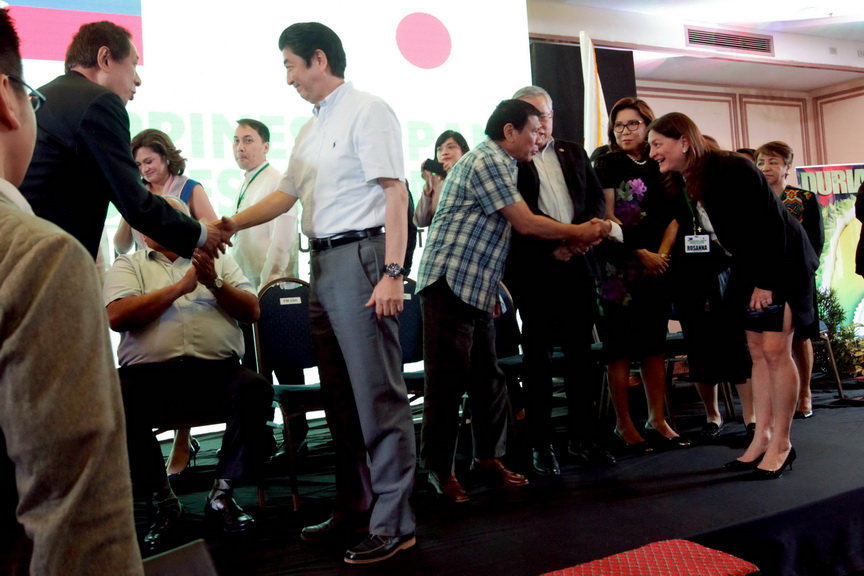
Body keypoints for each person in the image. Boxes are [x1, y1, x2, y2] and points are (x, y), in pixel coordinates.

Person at [216, 22, 416, 564]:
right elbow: (284, 197)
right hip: (321, 265)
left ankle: (395, 522)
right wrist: (227, 224)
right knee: (341, 399)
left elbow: (395, 194)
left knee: (378, 395)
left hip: (362, 257)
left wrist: (394, 271)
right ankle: (356, 506)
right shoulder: (311, 128)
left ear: (318, 60)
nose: (287, 78)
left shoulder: (369, 110)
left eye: (289, 65)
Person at [0, 9, 143, 573]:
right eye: (28, 98)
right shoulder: (42, 257)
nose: (137, 84)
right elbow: (81, 526)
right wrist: (203, 235)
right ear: (5, 101)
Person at [416, 99, 611, 502]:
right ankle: (439, 469)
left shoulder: (505, 164)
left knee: (489, 381)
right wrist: (579, 233)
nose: (539, 141)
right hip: (449, 284)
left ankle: (487, 459)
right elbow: (524, 223)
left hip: (476, 286)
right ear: (510, 131)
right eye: (533, 132)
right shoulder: (487, 160)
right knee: (447, 385)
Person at [647, 112, 818, 479]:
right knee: (756, 353)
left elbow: (770, 225)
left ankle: (782, 444)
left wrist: (766, 282)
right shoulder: (690, 178)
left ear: (684, 142)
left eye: (658, 143)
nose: (653, 152)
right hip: (750, 265)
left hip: (780, 263)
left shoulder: (731, 169)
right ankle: (761, 438)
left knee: (775, 351)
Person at [104, 195, 274, 549]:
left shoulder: (218, 260)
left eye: (174, 221)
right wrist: (179, 289)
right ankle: (165, 502)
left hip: (217, 373)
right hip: (151, 377)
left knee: (255, 388)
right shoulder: (128, 265)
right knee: (115, 397)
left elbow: (252, 311)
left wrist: (213, 282)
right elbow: (117, 316)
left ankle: (222, 494)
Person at [19, 20, 226, 261]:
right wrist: (201, 234)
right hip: (46, 258)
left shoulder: (42, 96)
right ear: (105, 59)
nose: (137, 79)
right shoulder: (99, 102)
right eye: (134, 64)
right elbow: (135, 202)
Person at [504, 85, 614, 475]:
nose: (542, 124)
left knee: (581, 358)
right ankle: (541, 443)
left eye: (547, 115)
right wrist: (561, 244)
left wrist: (580, 240)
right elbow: (517, 221)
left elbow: (596, 201)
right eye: (534, 116)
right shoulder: (512, 158)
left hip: (579, 265)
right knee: (538, 361)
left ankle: (584, 438)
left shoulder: (573, 151)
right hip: (536, 269)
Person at [593, 97, 688, 451]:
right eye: (619, 125)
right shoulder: (606, 162)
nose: (625, 131)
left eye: (633, 124)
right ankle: (624, 424)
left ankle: (657, 419)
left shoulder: (662, 162)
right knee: (618, 349)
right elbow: (607, 218)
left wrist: (661, 255)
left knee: (653, 346)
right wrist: (641, 253)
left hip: (658, 266)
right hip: (617, 267)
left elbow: (677, 216)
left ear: (649, 125)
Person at [755, 141, 823, 419]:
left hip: (798, 278)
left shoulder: (803, 198)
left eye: (772, 162)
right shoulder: (753, 200)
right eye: (760, 162)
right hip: (765, 281)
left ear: (786, 167)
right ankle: (777, 396)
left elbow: (815, 242)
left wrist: (803, 272)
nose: (766, 168)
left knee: (800, 337)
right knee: (769, 342)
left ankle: (805, 392)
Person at [114, 128, 218, 253]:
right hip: (144, 269)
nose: (144, 169)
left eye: (148, 161)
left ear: (165, 157)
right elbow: (121, 247)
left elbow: (215, 237)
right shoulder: (137, 193)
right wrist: (130, 205)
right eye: (138, 165)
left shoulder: (190, 188)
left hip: (184, 269)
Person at [231, 118, 299, 290]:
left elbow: (282, 242)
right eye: (236, 141)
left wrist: (269, 285)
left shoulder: (278, 182)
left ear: (266, 147)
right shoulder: (244, 183)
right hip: (247, 286)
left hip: (272, 289)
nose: (240, 147)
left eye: (248, 140)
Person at [414, 129, 469, 227]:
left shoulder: (471, 177)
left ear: (464, 151)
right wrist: (428, 188)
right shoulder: (436, 184)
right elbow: (420, 222)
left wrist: (453, 176)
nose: (444, 152)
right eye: (439, 149)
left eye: (451, 147)